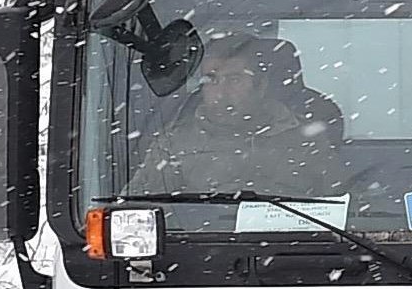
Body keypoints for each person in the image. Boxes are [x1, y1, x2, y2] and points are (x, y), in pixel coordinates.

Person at [134, 32, 348, 201]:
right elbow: (135, 212)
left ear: (261, 85)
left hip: (292, 251)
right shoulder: (172, 145)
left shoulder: (307, 140)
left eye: (234, 80)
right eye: (211, 80)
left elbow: (345, 210)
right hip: (199, 249)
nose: (220, 93)